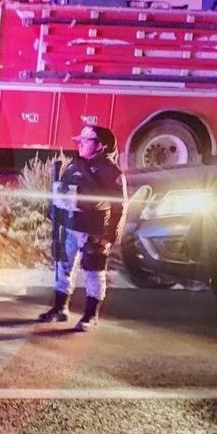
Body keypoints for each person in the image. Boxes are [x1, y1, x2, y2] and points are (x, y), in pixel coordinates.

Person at [38, 125, 127, 332]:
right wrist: (54, 211)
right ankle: (60, 308)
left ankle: (90, 316)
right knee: (63, 267)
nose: (81, 144)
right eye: (81, 140)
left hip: (94, 231)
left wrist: (110, 236)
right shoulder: (75, 165)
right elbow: (62, 192)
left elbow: (120, 206)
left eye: (87, 141)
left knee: (93, 272)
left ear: (100, 146)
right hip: (70, 227)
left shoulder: (111, 172)